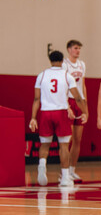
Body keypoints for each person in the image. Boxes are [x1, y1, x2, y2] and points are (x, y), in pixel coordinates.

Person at [29, 51, 88, 186]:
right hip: (61, 113)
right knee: (64, 146)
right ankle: (65, 177)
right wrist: (84, 112)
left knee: (45, 144)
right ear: (62, 61)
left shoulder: (41, 75)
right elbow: (77, 97)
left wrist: (33, 117)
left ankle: (42, 164)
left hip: (45, 113)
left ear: (50, 61)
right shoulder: (67, 76)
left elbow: (36, 99)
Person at [62, 39, 87, 182]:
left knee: (78, 139)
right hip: (69, 101)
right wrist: (67, 106)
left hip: (79, 101)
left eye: (79, 48)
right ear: (69, 49)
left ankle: (72, 170)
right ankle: (64, 171)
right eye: (75, 48)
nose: (78, 51)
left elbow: (83, 86)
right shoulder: (65, 64)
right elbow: (63, 86)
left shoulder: (82, 64)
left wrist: (85, 106)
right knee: (68, 139)